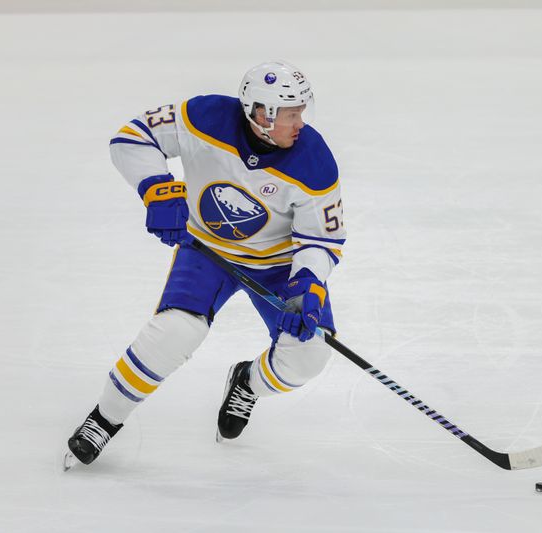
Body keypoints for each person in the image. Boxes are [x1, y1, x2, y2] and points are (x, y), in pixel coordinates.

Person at [65, 61, 346, 466]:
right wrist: (155, 189)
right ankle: (104, 420)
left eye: (303, 110)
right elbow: (132, 138)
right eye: (291, 114)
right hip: (207, 251)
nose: (300, 122)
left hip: (278, 267)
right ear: (261, 116)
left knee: (308, 357)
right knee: (174, 333)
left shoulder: (314, 160)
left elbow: (321, 237)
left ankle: (246, 383)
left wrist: (309, 281)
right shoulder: (205, 117)